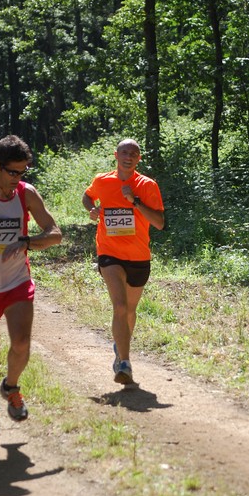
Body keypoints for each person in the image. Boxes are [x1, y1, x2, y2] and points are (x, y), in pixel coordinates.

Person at [0, 135, 62, 438]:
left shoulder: (26, 193)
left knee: (21, 343)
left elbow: (55, 232)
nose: (18, 179)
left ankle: (11, 386)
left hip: (17, 280)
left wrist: (29, 242)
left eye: (23, 172)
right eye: (13, 172)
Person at [82, 138, 165, 386]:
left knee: (129, 310)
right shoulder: (102, 180)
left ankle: (120, 348)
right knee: (119, 306)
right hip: (109, 253)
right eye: (125, 152)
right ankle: (125, 364)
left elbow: (159, 223)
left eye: (134, 153)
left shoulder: (147, 185)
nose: (129, 156)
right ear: (116, 155)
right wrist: (92, 208)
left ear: (138, 159)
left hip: (139, 256)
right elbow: (87, 196)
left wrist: (135, 202)